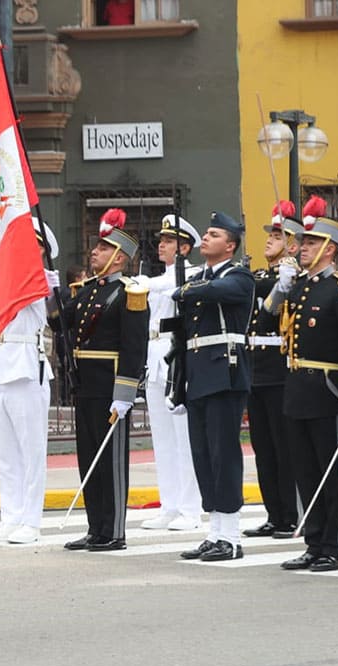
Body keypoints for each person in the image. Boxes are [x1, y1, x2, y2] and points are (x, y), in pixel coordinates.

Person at [263, 196, 338, 572]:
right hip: (296, 387)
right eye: (300, 243)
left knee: (330, 471)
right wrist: (281, 288)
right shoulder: (298, 286)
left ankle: (336, 546)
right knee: (304, 469)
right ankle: (314, 542)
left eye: (308, 243)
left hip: (326, 386)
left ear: (329, 248)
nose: (300, 248)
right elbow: (268, 316)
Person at [59, 209, 149, 552]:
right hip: (86, 386)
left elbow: (134, 346)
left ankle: (113, 530)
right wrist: (53, 295)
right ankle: (95, 527)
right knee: (89, 458)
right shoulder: (84, 291)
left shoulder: (130, 293)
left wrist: (125, 393)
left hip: (111, 385)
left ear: (119, 257)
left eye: (101, 248)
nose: (93, 252)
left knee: (110, 460)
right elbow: (61, 325)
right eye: (95, 247)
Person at [172, 212, 255, 561]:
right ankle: (216, 530)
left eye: (213, 234)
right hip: (199, 373)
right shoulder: (201, 278)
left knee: (223, 453)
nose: (205, 239)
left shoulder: (239, 277)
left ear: (230, 245)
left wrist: (187, 286)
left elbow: (212, 291)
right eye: (205, 234)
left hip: (225, 372)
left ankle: (232, 536)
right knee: (203, 455)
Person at [0, 221, 59, 545]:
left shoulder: (41, 278)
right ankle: (10, 517)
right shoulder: (0, 278)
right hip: (1, 365)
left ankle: (31, 520)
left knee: (30, 451)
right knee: (8, 453)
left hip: (27, 366)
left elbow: (43, 300)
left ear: (41, 250)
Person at [132, 215, 202, 531]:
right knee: (161, 438)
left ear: (185, 248)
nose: (161, 245)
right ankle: (170, 505)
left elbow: (170, 286)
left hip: (177, 359)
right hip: (155, 358)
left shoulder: (193, 274)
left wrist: (142, 282)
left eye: (169, 241)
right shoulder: (157, 278)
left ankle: (191, 508)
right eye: (161, 240)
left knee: (183, 437)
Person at [243, 202, 303, 539]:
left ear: (293, 245)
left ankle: (292, 514)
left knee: (284, 447)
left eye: (278, 235)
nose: (270, 240)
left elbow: (273, 315)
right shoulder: (260, 277)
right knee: (263, 448)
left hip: (281, 368)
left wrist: (286, 284)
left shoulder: (295, 279)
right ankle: (275, 514)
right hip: (257, 370)